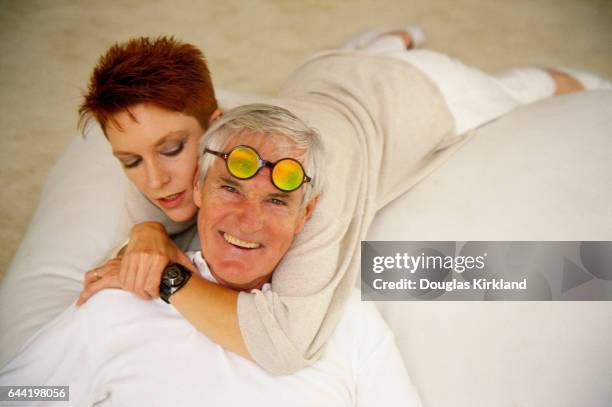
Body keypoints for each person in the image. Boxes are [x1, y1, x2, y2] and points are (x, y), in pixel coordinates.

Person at [3, 30, 610, 372]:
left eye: (172, 149)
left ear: (216, 126)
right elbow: (150, 216)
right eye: (132, 162)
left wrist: (168, 275)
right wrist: (149, 235)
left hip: (422, 95)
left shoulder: (315, 181)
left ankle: (568, 79)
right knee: (348, 59)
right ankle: (381, 41)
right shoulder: (184, 168)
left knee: (520, 88)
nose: (159, 182)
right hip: (324, 74)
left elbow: (285, 346)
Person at [0, 105, 421, 406]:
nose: (248, 221)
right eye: (231, 189)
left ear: (304, 215)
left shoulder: (343, 319)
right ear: (198, 188)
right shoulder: (121, 300)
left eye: (276, 202)